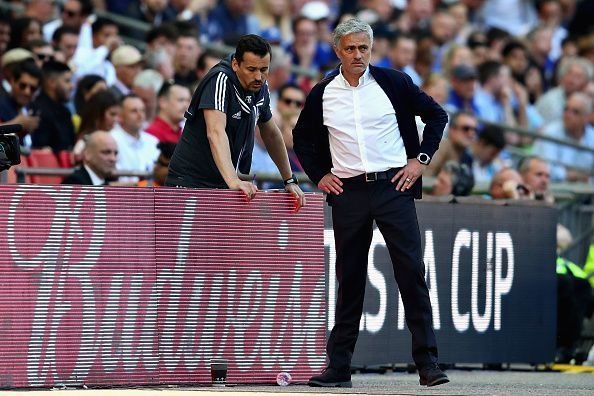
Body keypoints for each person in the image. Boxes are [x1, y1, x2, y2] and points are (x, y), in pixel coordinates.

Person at [293, 18, 448, 388]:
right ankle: (339, 367)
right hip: (348, 191)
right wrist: (319, 176)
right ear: (337, 51)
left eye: (363, 47)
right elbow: (301, 138)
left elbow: (437, 116)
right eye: (350, 48)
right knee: (349, 278)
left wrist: (421, 161)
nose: (358, 54)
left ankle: (428, 364)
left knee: (411, 272)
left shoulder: (393, 82)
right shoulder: (323, 92)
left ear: (371, 48)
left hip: (393, 185)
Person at [166, 34, 305, 208]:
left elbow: (271, 133)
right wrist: (233, 180)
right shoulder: (220, 80)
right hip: (190, 181)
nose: (258, 77)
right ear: (235, 64)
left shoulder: (261, 87)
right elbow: (215, 132)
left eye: (264, 69)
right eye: (251, 69)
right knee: (187, 236)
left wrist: (289, 180)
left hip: (222, 182)